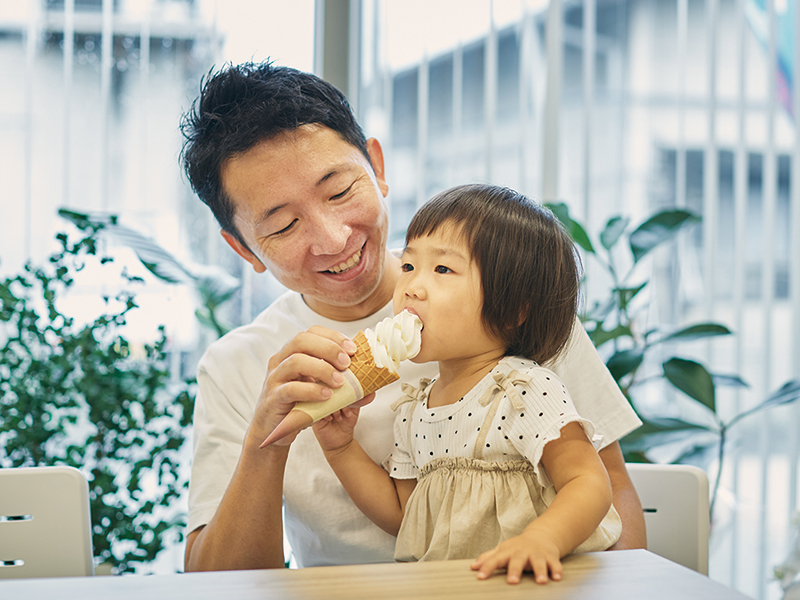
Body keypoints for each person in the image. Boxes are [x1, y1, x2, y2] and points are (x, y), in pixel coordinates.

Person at [179, 60, 645, 575]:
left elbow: (611, 493)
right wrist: (268, 440)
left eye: (339, 192)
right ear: (243, 249)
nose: (335, 239)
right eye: (285, 225)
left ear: (376, 166)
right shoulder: (236, 365)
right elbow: (217, 580)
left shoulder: (501, 298)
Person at [313, 184, 622, 584]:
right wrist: (340, 449)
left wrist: (543, 540)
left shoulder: (522, 389)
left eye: (442, 269)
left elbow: (588, 481)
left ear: (512, 309)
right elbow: (405, 514)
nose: (411, 287)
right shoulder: (413, 409)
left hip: (532, 583)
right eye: (408, 266)